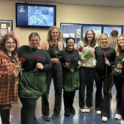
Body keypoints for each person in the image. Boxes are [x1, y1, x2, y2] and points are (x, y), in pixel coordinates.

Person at [18, 32, 52, 124]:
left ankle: (33, 119)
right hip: (25, 80)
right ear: (29, 41)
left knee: (33, 101)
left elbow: (50, 65)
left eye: (36, 40)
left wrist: (43, 67)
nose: (34, 42)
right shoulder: (22, 49)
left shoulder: (44, 52)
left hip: (39, 81)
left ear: (40, 40)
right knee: (28, 104)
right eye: (32, 40)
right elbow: (13, 58)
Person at [40, 26, 63, 121]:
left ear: (59, 34)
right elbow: (41, 56)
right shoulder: (45, 43)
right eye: (53, 32)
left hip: (58, 68)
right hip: (48, 68)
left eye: (57, 33)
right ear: (50, 34)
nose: (55, 34)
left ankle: (57, 111)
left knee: (58, 90)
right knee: (45, 91)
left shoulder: (60, 43)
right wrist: (50, 59)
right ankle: (45, 113)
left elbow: (61, 56)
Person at [95, 33, 116, 122]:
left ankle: (105, 112)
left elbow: (115, 61)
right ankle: (98, 107)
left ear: (108, 39)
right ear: (100, 40)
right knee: (98, 89)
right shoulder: (97, 49)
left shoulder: (112, 50)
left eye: (105, 39)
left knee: (106, 91)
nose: (104, 41)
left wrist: (110, 63)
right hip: (97, 72)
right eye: (102, 39)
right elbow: (95, 59)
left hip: (108, 73)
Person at [0, 34, 20, 124]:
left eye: (13, 42)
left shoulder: (15, 55)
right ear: (3, 44)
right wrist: (10, 74)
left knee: (5, 114)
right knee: (4, 113)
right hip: (2, 90)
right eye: (8, 42)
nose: (11, 44)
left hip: (10, 89)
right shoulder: (0, 56)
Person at [77, 29, 98, 113]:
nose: (89, 35)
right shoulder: (81, 43)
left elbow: (97, 55)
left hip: (91, 67)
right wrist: (81, 58)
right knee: (81, 86)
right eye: (88, 34)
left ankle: (88, 105)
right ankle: (82, 105)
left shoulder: (96, 44)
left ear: (93, 35)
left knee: (90, 86)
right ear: (86, 35)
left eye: (91, 34)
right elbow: (78, 52)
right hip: (82, 66)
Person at [60, 37, 79, 117]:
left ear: (74, 43)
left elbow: (80, 60)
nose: (71, 44)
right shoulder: (62, 52)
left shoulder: (77, 52)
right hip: (66, 73)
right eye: (69, 42)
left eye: (72, 42)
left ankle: (71, 106)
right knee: (66, 91)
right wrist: (64, 64)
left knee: (73, 90)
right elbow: (58, 62)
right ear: (66, 43)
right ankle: (66, 107)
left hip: (75, 73)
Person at [113, 35, 124, 124]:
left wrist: (122, 67)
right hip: (117, 76)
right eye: (119, 40)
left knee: (123, 95)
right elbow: (115, 62)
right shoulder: (117, 51)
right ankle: (119, 112)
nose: (121, 41)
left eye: (122, 39)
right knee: (119, 95)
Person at [108, 30, 119, 98]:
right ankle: (118, 94)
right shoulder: (119, 40)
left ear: (111, 34)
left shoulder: (109, 40)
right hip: (118, 62)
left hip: (110, 62)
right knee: (118, 78)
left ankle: (109, 92)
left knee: (111, 78)